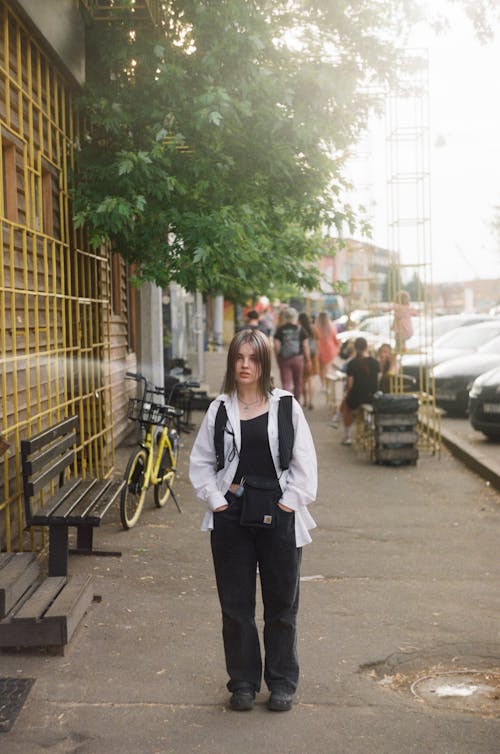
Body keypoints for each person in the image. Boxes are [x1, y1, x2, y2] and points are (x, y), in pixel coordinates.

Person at [189, 328, 317, 713]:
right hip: (231, 521)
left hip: (279, 517)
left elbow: (304, 464)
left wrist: (290, 505)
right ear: (232, 362)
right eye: (240, 358)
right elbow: (201, 463)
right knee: (235, 607)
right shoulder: (219, 409)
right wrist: (217, 501)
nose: (245, 365)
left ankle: (281, 683)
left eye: (254, 358)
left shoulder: (286, 406)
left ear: (264, 364)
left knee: (282, 606)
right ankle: (243, 682)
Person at [339, 336, 379, 445]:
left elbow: (350, 384)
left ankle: (347, 435)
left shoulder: (352, 364)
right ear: (367, 347)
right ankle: (369, 423)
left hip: (356, 397)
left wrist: (346, 392)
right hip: (372, 396)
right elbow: (378, 380)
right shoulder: (375, 362)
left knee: (347, 406)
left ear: (355, 348)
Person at [273, 306, 311, 401]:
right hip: (298, 359)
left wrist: (278, 358)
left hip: (284, 359)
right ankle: (296, 403)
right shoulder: (301, 329)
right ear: (296, 317)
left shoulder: (280, 330)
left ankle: (287, 404)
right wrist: (308, 360)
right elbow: (305, 346)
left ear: (285, 317)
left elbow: (276, 347)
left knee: (286, 383)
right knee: (298, 382)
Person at [298, 311, 319, 409]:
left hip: (302, 356)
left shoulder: (299, 329)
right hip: (313, 356)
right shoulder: (313, 328)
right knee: (311, 379)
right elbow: (318, 340)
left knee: (303, 380)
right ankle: (311, 401)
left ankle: (305, 401)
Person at [316, 311, 340, 390]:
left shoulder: (316, 327)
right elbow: (335, 339)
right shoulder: (331, 326)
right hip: (329, 350)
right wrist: (338, 346)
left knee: (320, 369)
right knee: (327, 369)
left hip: (318, 350)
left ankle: (323, 384)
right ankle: (327, 386)